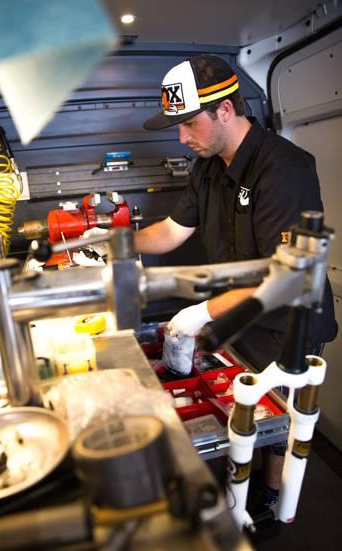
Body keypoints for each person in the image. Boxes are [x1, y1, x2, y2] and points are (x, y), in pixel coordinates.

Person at [134, 54, 338, 509]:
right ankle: (243, 491)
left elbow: (284, 275)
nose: (183, 138)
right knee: (246, 415)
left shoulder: (284, 168)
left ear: (224, 110)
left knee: (276, 425)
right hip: (239, 316)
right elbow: (170, 231)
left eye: (189, 124)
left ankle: (268, 504)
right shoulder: (208, 166)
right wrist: (116, 244)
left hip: (285, 324)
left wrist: (201, 312)